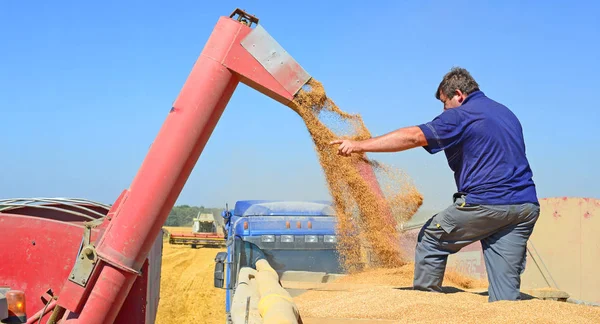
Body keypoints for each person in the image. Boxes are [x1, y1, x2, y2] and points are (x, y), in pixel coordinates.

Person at [330, 67, 539, 302]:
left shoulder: (462, 114)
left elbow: (413, 136)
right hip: (524, 208)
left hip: (486, 203)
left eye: (444, 102)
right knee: (505, 292)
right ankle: (506, 310)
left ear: (458, 94)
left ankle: (426, 307)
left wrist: (359, 145)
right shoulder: (505, 114)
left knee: (431, 238)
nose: (443, 109)